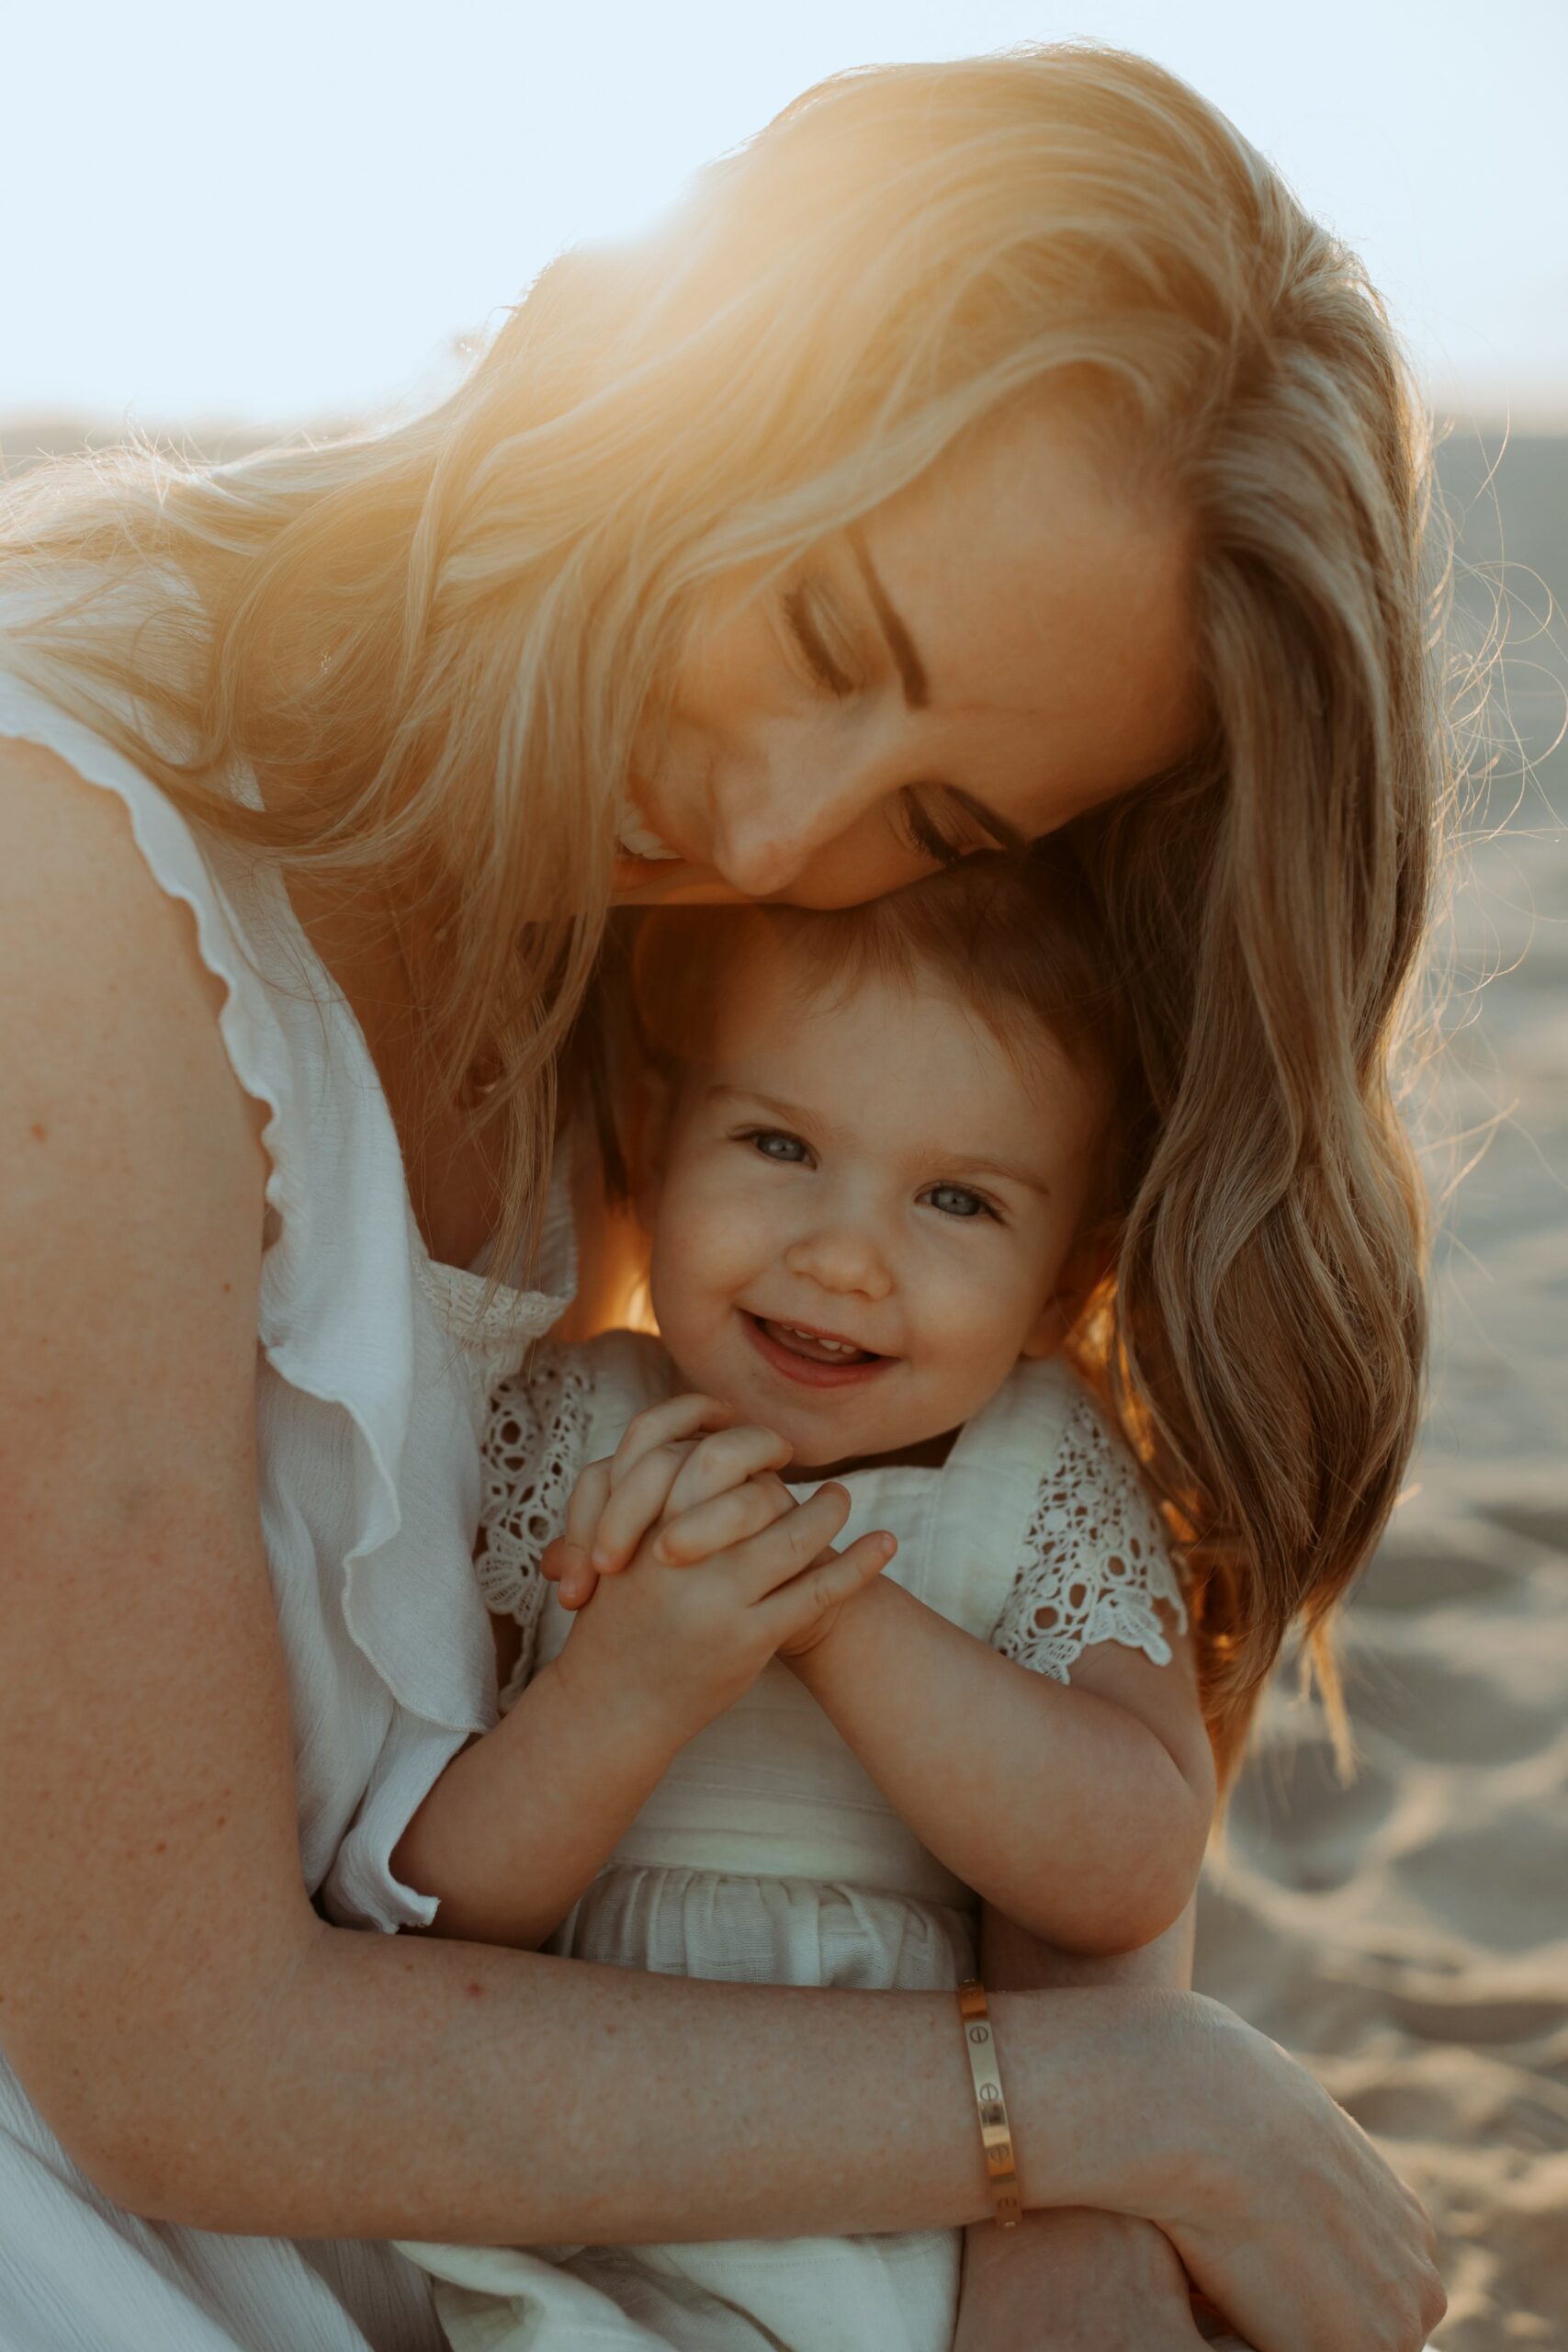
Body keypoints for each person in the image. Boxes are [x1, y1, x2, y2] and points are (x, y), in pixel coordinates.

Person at [0, 41, 1445, 2352]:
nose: (783, 831)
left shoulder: (702, 983)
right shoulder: (63, 881)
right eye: (825, 639)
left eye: (950, 826)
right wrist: (1091, 2105)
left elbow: (1066, 1876)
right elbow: (176, 2060)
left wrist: (1078, 2200)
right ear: (676, 385)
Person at [394, 857, 1231, 2350]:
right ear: (649, 1147)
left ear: (1063, 1285)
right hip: (572, 2169)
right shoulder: (569, 1428)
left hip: (903, 2191)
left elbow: (1131, 1858)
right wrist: (623, 1685)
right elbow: (437, 1907)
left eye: (957, 1200)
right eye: (779, 1143)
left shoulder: (1038, 1471)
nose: (844, 1256)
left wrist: (837, 1618)